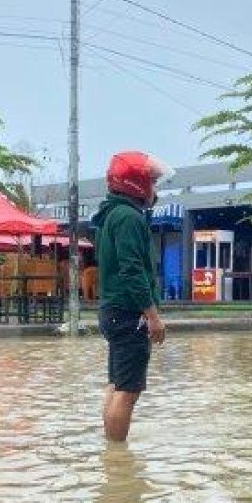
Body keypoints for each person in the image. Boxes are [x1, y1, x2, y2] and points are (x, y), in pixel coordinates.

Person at [93, 151, 169, 442]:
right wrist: (152, 316)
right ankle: (116, 462)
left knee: (116, 385)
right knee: (128, 391)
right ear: (138, 185)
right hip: (129, 313)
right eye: (152, 182)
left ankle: (111, 458)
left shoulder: (111, 214)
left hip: (113, 310)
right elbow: (133, 270)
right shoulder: (128, 218)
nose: (155, 189)